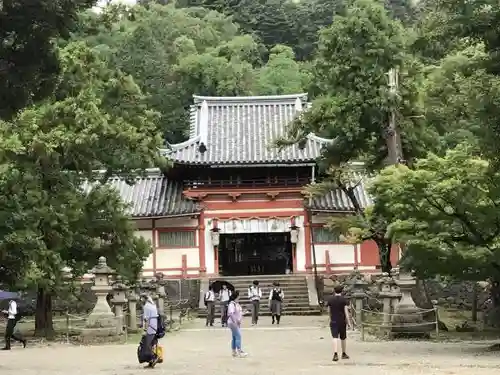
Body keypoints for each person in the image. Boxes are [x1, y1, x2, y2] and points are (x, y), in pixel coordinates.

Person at [325, 284, 351, 362]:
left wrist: (330, 318)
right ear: (342, 291)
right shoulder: (344, 300)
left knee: (335, 337)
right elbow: (346, 313)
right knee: (343, 337)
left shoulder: (330, 300)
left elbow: (328, 311)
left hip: (333, 320)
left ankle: (335, 353)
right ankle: (343, 353)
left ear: (334, 290)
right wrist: (349, 322)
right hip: (342, 321)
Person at [139, 294, 160, 367]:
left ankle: (154, 357)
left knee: (147, 345)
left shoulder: (147, 306)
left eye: (141, 298)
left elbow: (146, 319)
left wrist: (145, 330)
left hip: (150, 327)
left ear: (144, 299)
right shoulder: (153, 305)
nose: (141, 300)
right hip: (154, 325)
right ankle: (151, 362)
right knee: (151, 344)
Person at [227, 290, 247, 357]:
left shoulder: (236, 304)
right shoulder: (232, 304)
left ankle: (234, 351)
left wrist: (243, 313)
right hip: (233, 323)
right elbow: (231, 313)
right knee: (238, 336)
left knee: (234, 337)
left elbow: (238, 313)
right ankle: (239, 351)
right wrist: (235, 321)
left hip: (235, 322)